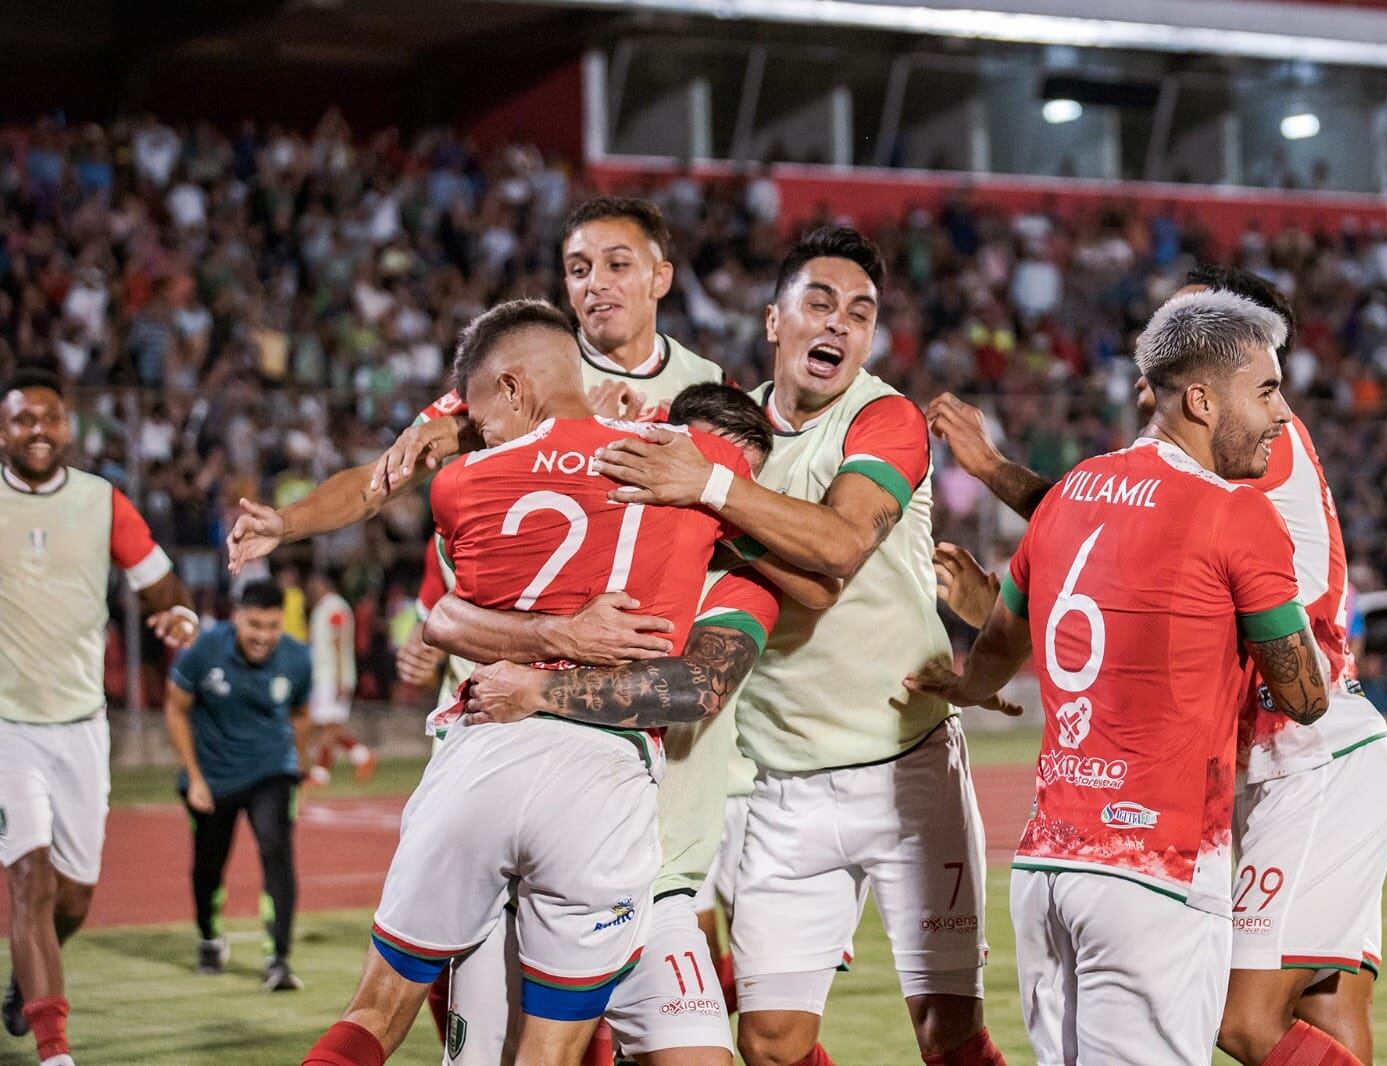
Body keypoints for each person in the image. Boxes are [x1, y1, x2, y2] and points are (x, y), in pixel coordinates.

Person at [930, 266, 1387, 1065]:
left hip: (1311, 759)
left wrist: (993, 478)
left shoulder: (1254, 452)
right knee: (1323, 1010)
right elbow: (1110, 532)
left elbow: (1102, 524)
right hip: (1242, 776)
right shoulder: (1176, 479)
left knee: (1244, 1022)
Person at [301, 300, 754, 1066]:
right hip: (606, 776)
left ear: (512, 387)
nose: (478, 429)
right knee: (546, 1053)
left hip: (482, 748)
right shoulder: (692, 467)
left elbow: (451, 614)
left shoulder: (462, 484)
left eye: (480, 412)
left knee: (375, 1013)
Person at [593, 227, 1007, 1066]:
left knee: (949, 1032)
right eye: (819, 304)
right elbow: (806, 578)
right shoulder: (730, 435)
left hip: (909, 768)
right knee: (772, 1044)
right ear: (774, 320)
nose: (839, 326)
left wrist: (714, 495)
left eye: (860, 314)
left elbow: (839, 552)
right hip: (784, 784)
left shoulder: (884, 418)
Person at [420, 382, 837, 1066]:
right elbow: (447, 616)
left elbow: (692, 688)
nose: (711, 493)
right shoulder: (577, 545)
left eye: (731, 481)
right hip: (532, 882)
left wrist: (540, 691)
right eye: (697, 464)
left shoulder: (745, 582)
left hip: (658, 889)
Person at [225, 195, 727, 576]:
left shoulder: (711, 384)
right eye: (579, 269)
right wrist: (286, 523)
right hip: (509, 655)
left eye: (618, 265)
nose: (595, 283)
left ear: (660, 278)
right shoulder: (523, 367)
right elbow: (379, 481)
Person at [0, 368, 198, 1066]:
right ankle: (55, 1050)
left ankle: (23, 980)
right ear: (3, 429)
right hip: (8, 727)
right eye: (23, 419)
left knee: (75, 896)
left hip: (83, 726)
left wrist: (177, 614)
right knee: (28, 876)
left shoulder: (101, 502)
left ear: (68, 428)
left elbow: (161, 584)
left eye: (50, 419)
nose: (38, 431)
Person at [163, 580, 312, 991]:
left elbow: (301, 713)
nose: (263, 635)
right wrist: (193, 777)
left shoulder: (299, 658)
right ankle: (210, 937)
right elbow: (176, 708)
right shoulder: (203, 649)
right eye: (254, 624)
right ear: (236, 617)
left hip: (272, 771)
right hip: (212, 779)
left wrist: (296, 762)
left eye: (272, 625)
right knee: (208, 866)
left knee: (276, 850)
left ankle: (278, 960)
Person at [304, 570, 375, 785]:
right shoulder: (324, 608)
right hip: (323, 674)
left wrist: (339, 677)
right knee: (327, 725)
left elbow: (338, 643)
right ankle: (355, 758)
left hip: (331, 675)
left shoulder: (334, 608)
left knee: (328, 725)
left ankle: (324, 771)